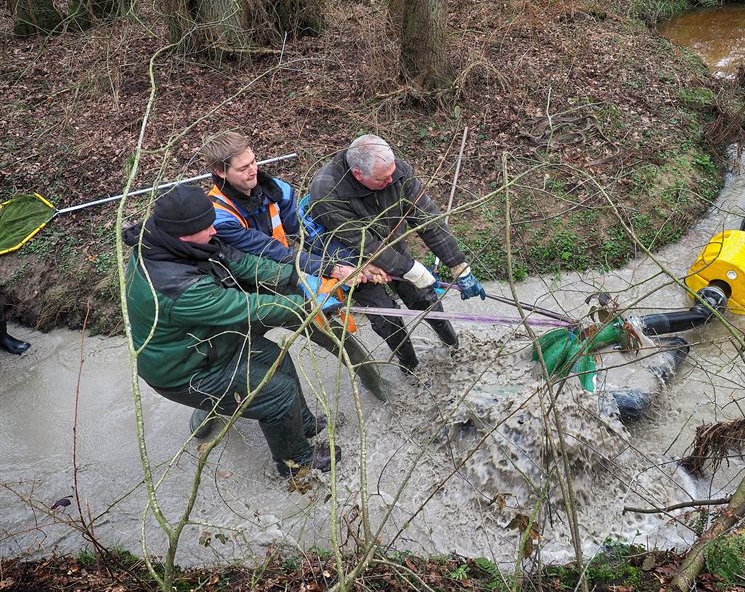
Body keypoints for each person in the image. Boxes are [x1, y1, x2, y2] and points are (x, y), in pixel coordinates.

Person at [124, 184, 344, 480]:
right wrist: (306, 304)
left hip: (210, 343)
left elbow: (240, 261)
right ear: (183, 234)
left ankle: (302, 426)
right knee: (277, 394)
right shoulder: (176, 287)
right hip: (187, 371)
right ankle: (298, 465)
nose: (214, 231)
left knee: (277, 358)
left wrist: (294, 274)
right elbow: (247, 307)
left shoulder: (173, 242)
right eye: (205, 227)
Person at [201, 131, 389, 400]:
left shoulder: (277, 190)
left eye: (254, 161)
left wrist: (352, 263)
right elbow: (272, 251)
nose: (253, 170)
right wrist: (332, 269)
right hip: (243, 294)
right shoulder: (219, 216)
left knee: (337, 335)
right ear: (220, 171)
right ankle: (210, 411)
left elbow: (310, 235)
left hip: (286, 278)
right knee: (230, 353)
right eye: (243, 168)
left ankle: (379, 388)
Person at [307, 134, 486, 372]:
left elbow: (427, 220)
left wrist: (458, 265)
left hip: (392, 243)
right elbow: (362, 242)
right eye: (383, 178)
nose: (392, 180)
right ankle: (409, 365)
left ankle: (453, 344)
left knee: (424, 297)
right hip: (351, 261)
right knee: (386, 316)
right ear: (359, 175)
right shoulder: (326, 189)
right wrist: (409, 269)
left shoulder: (396, 171)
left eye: (393, 172)